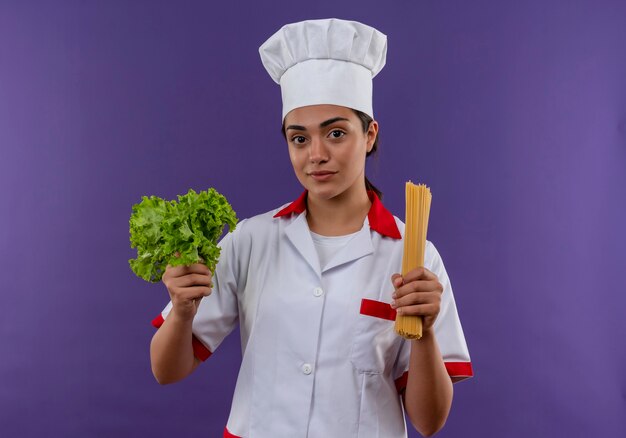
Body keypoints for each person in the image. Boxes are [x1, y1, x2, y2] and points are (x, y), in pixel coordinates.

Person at [149, 18, 473, 438]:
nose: (316, 155)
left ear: (370, 134)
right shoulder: (250, 240)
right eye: (299, 138)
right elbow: (167, 371)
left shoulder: (413, 255)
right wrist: (183, 310)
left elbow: (429, 422)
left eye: (336, 133)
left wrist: (425, 334)